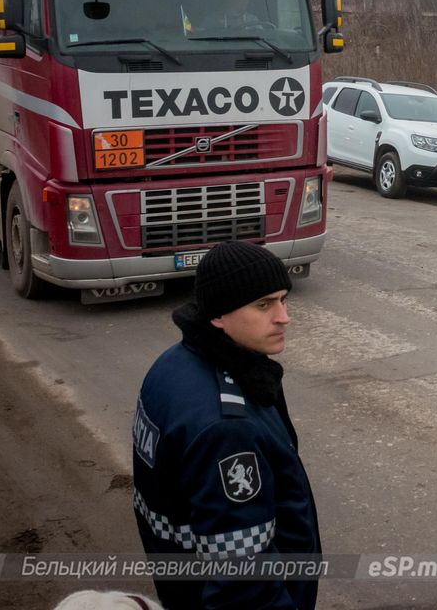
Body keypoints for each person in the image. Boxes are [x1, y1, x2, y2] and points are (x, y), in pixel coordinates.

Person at [132, 241, 321, 608]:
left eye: (283, 299)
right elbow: (244, 584)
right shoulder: (227, 428)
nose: (283, 317)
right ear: (217, 316)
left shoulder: (173, 365)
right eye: (264, 305)